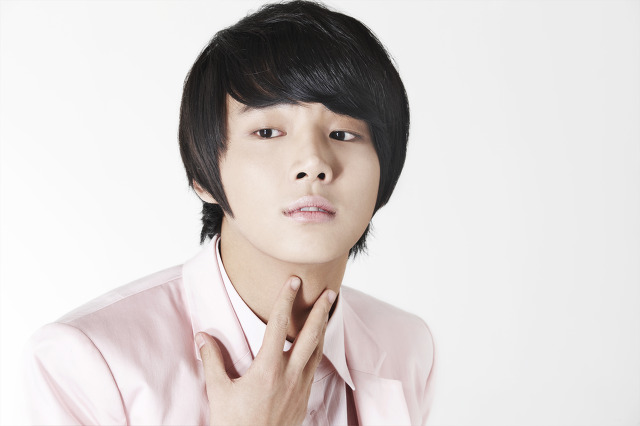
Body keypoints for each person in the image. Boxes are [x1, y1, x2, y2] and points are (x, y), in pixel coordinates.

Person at [23, 1, 436, 424]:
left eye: (344, 133)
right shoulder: (88, 364)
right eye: (268, 132)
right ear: (203, 176)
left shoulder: (406, 347)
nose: (313, 163)